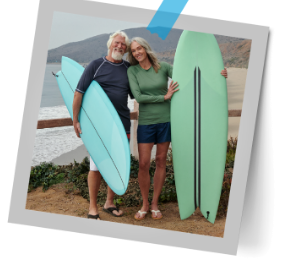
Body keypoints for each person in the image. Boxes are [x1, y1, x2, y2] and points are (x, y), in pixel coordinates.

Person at [126, 37, 228, 220]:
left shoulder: (163, 67)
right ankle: (145, 204)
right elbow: (138, 97)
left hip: (166, 120)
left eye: (139, 48)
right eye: (133, 51)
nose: (137, 52)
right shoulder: (132, 71)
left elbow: (189, 77)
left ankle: (155, 204)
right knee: (143, 164)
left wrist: (218, 75)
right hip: (146, 122)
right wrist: (164, 97)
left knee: (160, 161)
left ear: (146, 49)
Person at [72, 31, 134, 220]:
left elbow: (139, 91)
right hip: (99, 127)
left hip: (122, 125)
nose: (120, 46)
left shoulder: (128, 68)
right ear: (110, 44)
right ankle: (92, 207)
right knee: (96, 166)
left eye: (123, 45)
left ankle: (109, 202)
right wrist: (75, 120)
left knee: (116, 164)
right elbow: (78, 93)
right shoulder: (96, 65)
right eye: (117, 43)